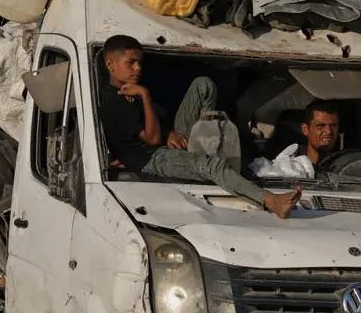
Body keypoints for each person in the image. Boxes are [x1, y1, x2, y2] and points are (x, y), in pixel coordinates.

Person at [99, 35, 300, 219]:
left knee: (203, 85)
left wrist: (169, 132)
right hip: (151, 158)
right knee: (211, 165)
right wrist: (145, 96)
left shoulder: (131, 91)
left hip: (165, 140)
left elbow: (154, 124)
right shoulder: (115, 100)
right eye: (130, 63)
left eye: (139, 63)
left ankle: (201, 145)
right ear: (111, 64)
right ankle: (271, 201)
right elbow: (151, 139)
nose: (138, 68)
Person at [300, 101, 340, 165]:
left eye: (333, 126)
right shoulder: (289, 165)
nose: (328, 131)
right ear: (305, 129)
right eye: (321, 125)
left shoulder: (348, 166)